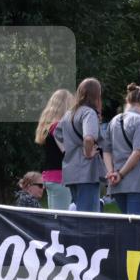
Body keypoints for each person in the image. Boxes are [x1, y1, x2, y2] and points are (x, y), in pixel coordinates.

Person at [55, 78, 106, 212]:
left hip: (70, 169)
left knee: (78, 212)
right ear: (97, 94)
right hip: (86, 171)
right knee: (88, 216)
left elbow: (57, 133)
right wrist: (88, 152)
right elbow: (89, 138)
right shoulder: (89, 113)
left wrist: (68, 150)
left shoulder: (68, 113)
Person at [103, 84, 140, 215]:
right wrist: (121, 174)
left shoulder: (113, 121)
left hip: (116, 184)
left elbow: (106, 151)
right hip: (136, 181)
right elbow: (137, 152)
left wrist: (111, 172)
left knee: (126, 223)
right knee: (137, 226)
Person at [34, 89, 72, 210]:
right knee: (62, 219)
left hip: (50, 177)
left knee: (55, 218)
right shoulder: (58, 126)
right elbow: (67, 152)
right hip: (61, 178)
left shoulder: (48, 126)